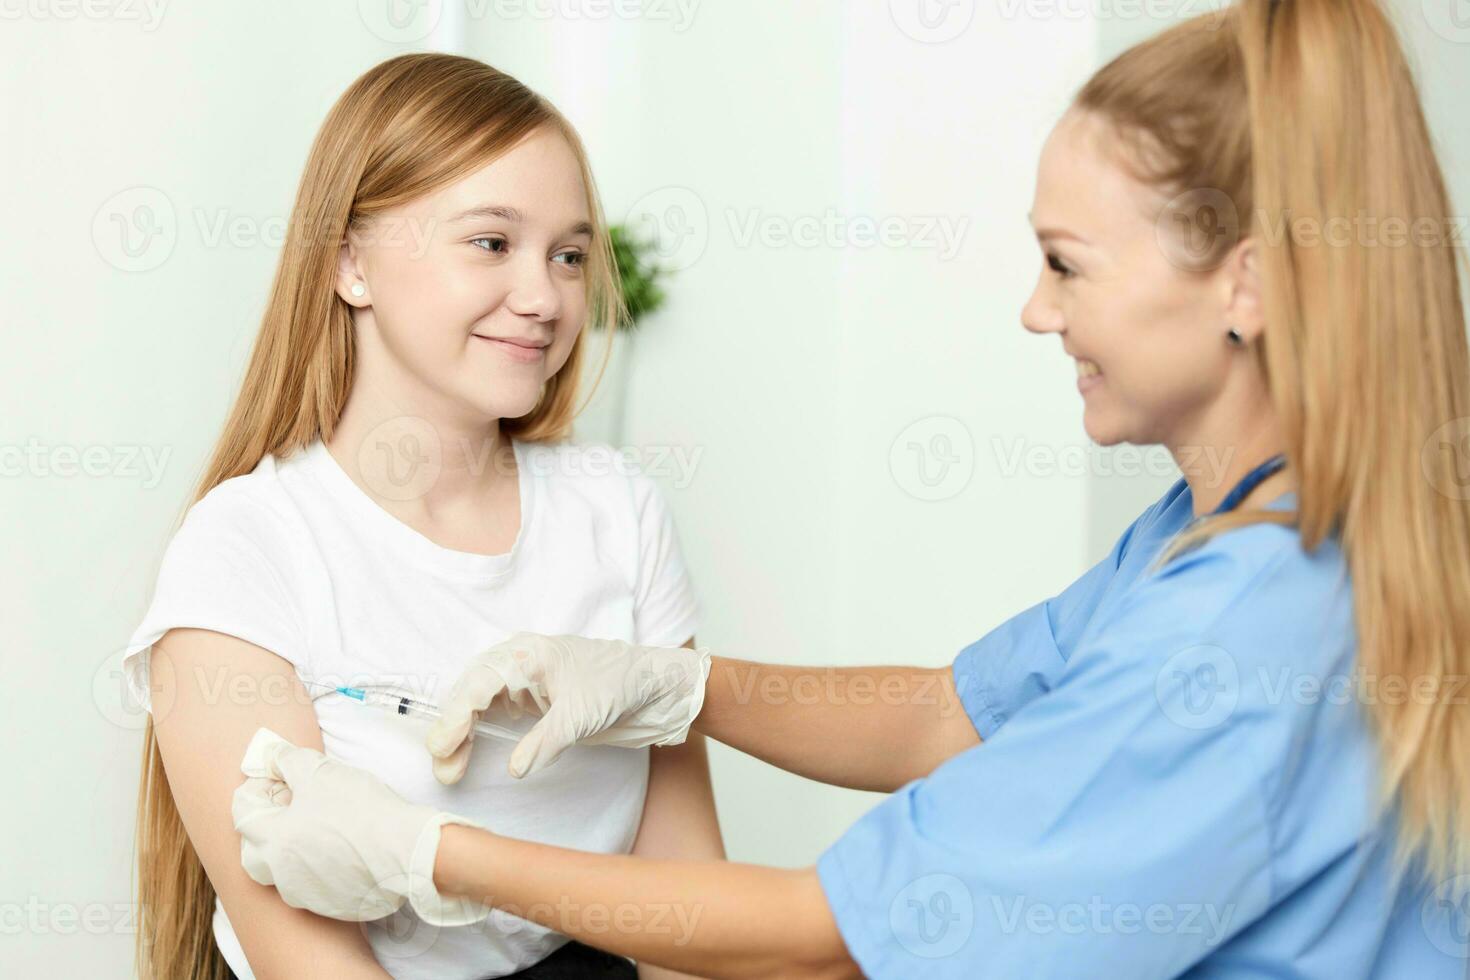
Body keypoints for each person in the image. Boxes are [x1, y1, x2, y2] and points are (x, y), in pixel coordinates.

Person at [227, 1, 1470, 977]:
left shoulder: (1235, 627)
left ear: (1243, 285)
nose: (1036, 311)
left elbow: (824, 937)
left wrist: (428, 852)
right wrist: (683, 686)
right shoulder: (1229, 534)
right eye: (488, 243)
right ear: (349, 263)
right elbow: (947, 712)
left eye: (1065, 265)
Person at [122, 53, 724, 980]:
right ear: (350, 264)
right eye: (492, 242)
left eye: (568, 255)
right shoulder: (246, 553)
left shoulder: (621, 512)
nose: (545, 297)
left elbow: (694, 919)